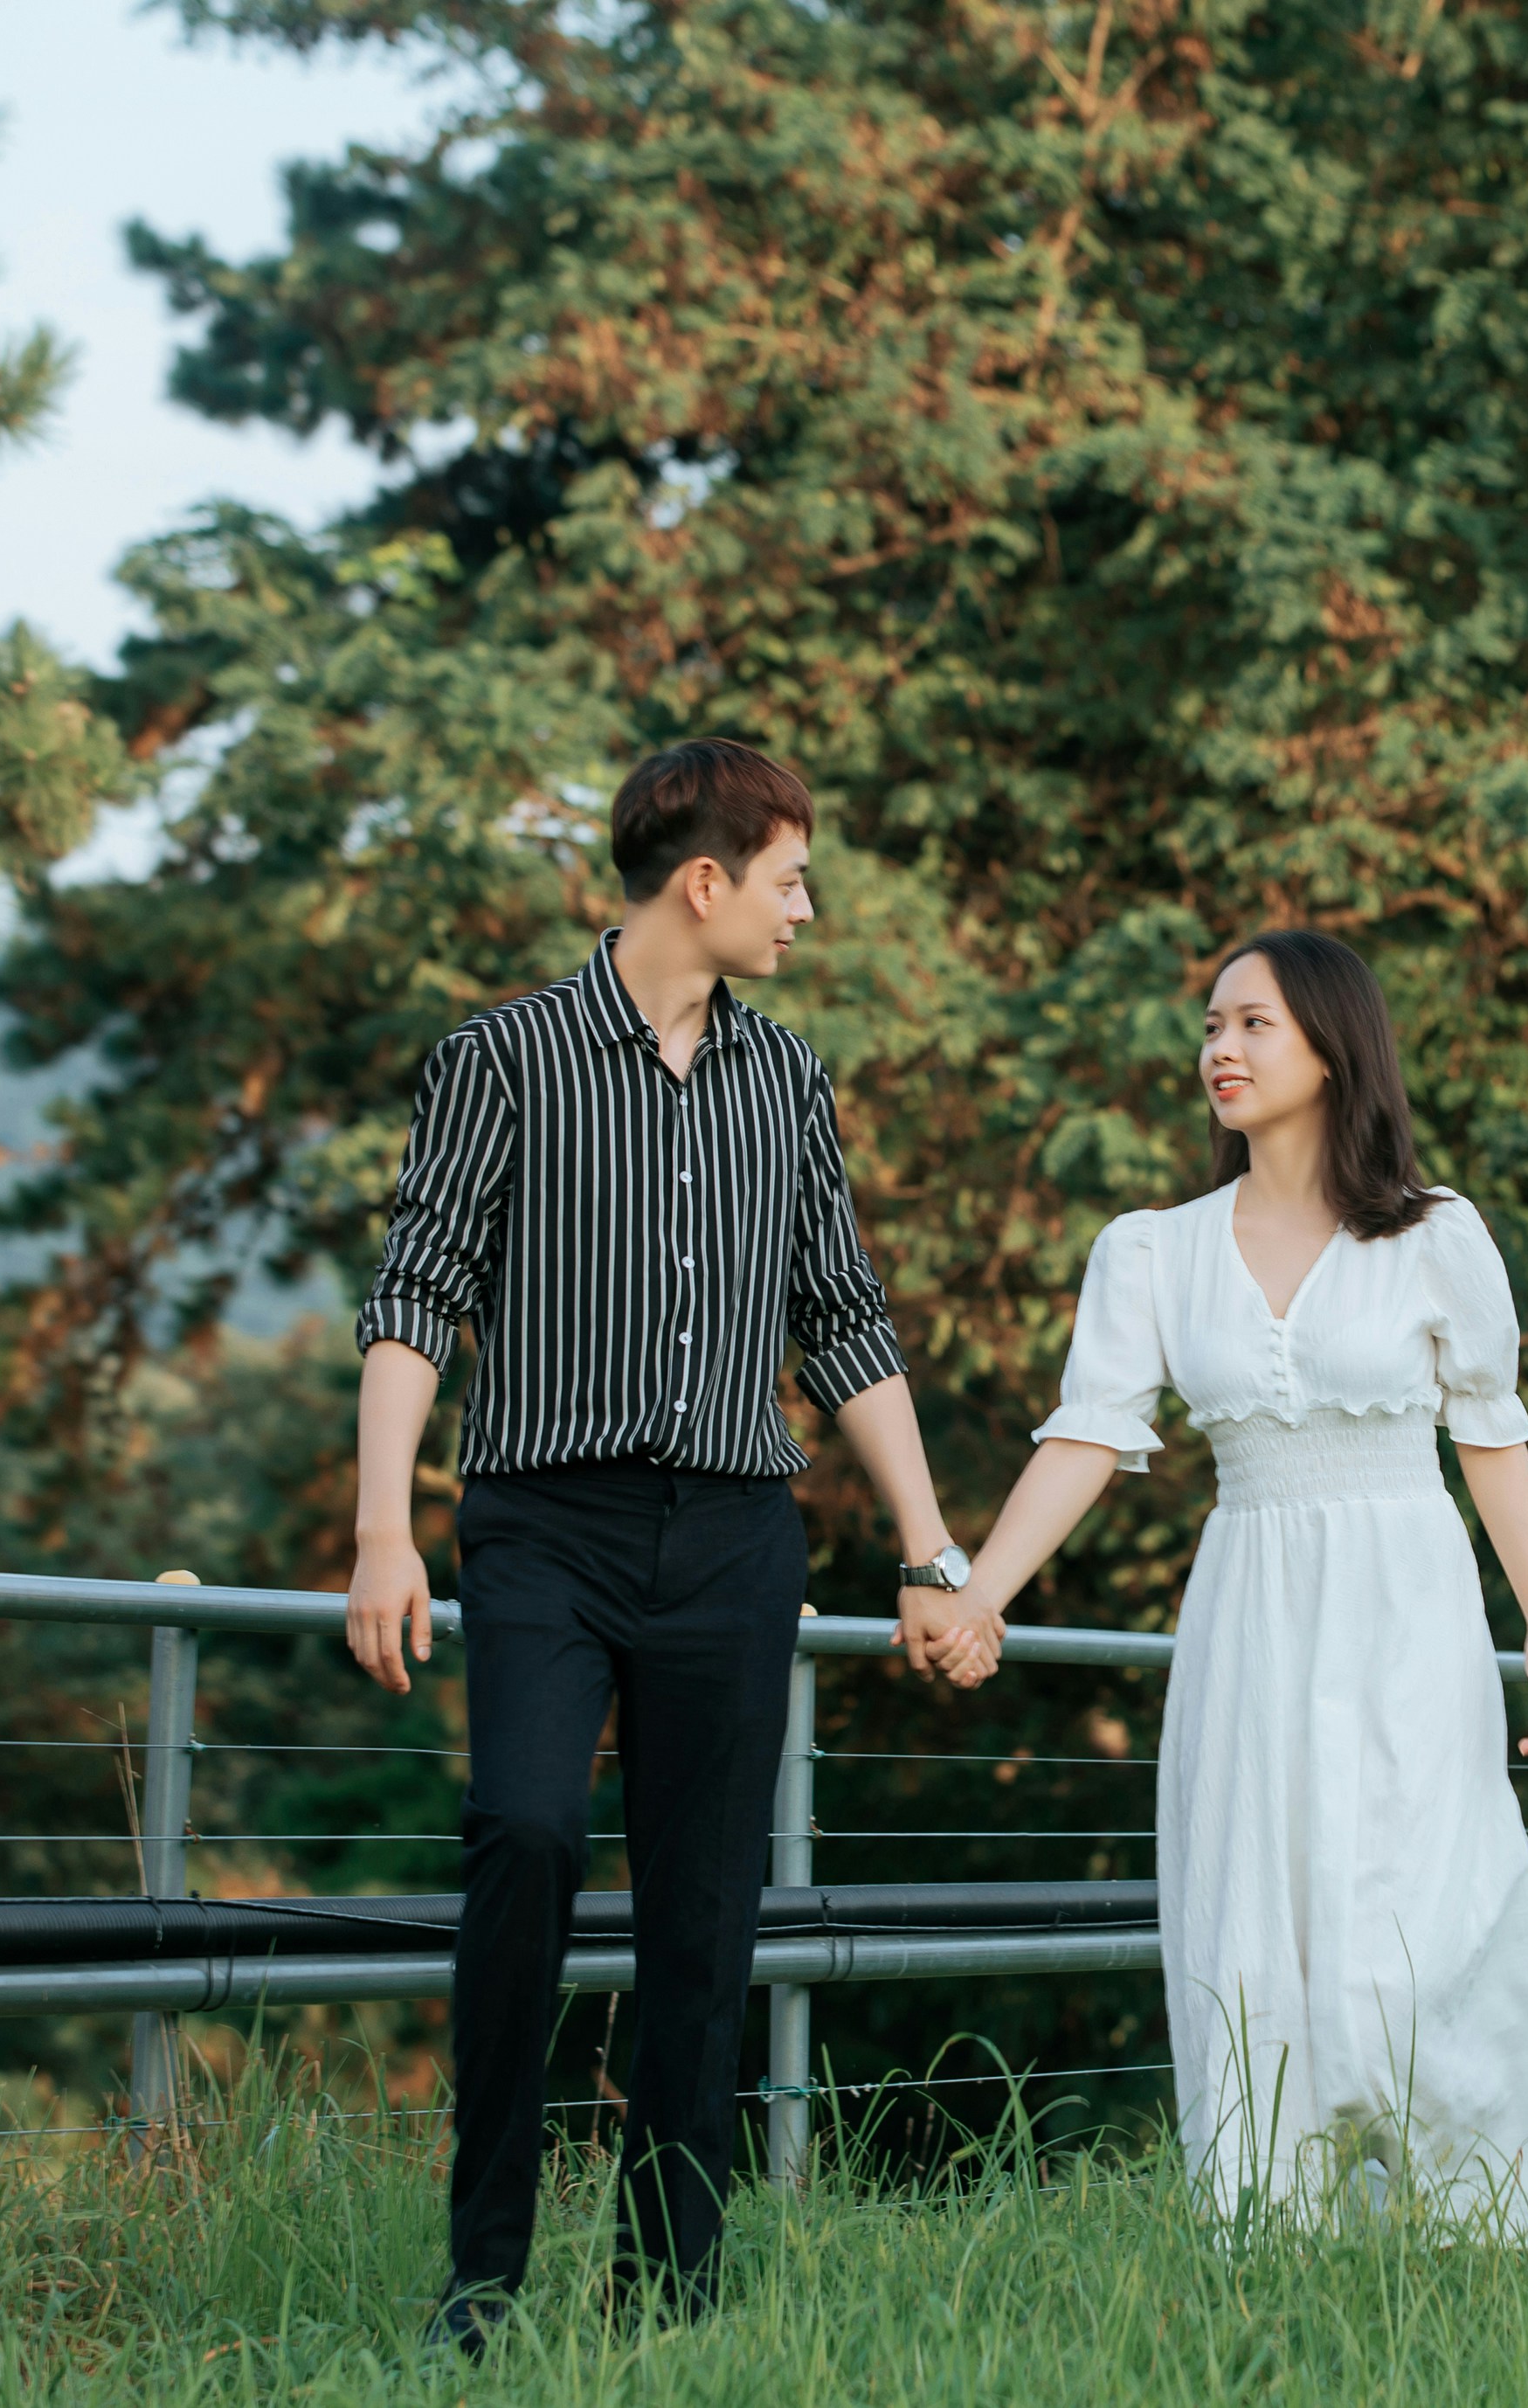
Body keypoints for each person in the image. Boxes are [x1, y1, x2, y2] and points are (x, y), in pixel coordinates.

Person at [340, 738, 1002, 2354]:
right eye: (789, 879)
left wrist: (930, 1551)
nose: (808, 910)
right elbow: (416, 1295)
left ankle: (670, 2301)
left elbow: (842, 1321)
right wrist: (381, 1532)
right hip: (543, 1528)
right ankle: (480, 2281)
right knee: (526, 1842)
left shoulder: (786, 1078)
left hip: (730, 1535)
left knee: (705, 1914)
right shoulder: (500, 1059)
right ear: (702, 882)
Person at [951, 929, 1528, 2251]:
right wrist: (979, 1595)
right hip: (1251, 1606)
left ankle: (1492, 2234)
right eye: (1209, 1026)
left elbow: (1490, 1431)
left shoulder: (1435, 1233)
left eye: (1251, 1024)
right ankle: (1274, 2239)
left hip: (1406, 1605)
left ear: (1329, 1042)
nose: (1219, 1051)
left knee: (1430, 1919)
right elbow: (1088, 1436)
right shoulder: (1151, 1250)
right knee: (1255, 1917)